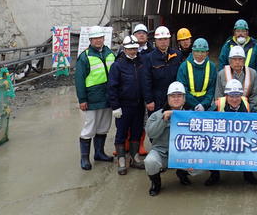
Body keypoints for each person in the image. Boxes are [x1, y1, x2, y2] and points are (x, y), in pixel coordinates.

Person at [204, 79, 257, 186]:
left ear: (241, 95)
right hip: (222, 139)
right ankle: (214, 175)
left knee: (251, 144)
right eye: (231, 96)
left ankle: (248, 174)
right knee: (209, 144)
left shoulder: (247, 106)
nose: (234, 99)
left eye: (237, 96)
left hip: (241, 139)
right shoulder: (218, 104)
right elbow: (206, 118)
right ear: (226, 96)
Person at [75, 26, 115, 170]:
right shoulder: (84, 57)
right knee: (89, 128)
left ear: (104, 38)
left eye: (100, 38)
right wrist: (82, 99)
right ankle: (84, 158)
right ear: (90, 40)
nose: (98, 40)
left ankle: (99, 153)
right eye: (95, 38)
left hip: (108, 98)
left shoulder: (110, 53)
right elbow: (79, 80)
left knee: (104, 126)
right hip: (92, 98)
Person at [108, 35, 145, 175]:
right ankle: (122, 159)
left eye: (135, 48)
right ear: (124, 49)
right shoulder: (117, 65)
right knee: (121, 133)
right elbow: (112, 87)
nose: (133, 51)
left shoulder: (141, 62)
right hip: (124, 106)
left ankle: (135, 157)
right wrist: (115, 106)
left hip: (138, 105)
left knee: (137, 131)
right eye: (130, 49)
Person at [145, 81, 191, 196]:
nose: (176, 99)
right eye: (173, 96)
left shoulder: (191, 115)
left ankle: (182, 173)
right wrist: (164, 119)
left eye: (179, 96)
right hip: (162, 152)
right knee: (150, 162)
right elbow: (151, 134)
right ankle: (156, 183)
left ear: (184, 99)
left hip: (183, 153)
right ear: (168, 98)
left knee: (200, 163)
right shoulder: (156, 115)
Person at [143, 26, 181, 114]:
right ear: (155, 41)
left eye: (165, 39)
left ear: (169, 39)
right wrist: (149, 100)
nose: (163, 42)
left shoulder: (177, 55)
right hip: (157, 98)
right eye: (160, 39)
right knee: (157, 124)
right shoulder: (149, 58)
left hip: (174, 96)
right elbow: (146, 81)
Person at [213, 45, 257, 112]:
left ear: (244, 60)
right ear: (229, 60)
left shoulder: (253, 73)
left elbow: (256, 95)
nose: (237, 62)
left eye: (240, 59)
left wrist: (250, 110)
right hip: (226, 111)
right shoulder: (222, 74)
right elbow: (219, 96)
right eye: (234, 59)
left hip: (247, 111)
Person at [176, 38, 216, 111]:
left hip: (205, 107)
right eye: (197, 51)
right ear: (192, 51)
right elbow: (183, 88)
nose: (199, 54)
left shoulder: (212, 67)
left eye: (202, 52)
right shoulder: (184, 67)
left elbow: (211, 89)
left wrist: (204, 105)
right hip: (188, 107)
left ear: (207, 53)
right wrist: (195, 105)